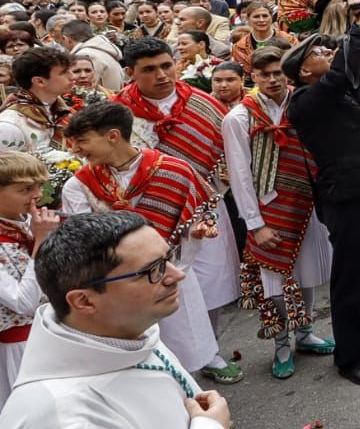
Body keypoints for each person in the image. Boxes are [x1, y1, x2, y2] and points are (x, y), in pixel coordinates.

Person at [0, 211, 232, 429]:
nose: (177, 275)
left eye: (168, 257)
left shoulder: (128, 333)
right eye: (153, 269)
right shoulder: (57, 414)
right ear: (84, 301)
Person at [58, 103, 228, 377]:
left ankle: (196, 382)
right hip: (118, 282)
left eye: (82, 141)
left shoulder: (175, 170)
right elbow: (82, 237)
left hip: (173, 268)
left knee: (184, 336)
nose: (76, 150)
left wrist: (185, 250)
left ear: (113, 136)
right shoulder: (78, 184)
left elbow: (195, 220)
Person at [283, 0, 360, 386]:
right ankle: (349, 358)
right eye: (318, 53)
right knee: (351, 276)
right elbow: (343, 69)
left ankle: (359, 340)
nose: (326, 53)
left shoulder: (338, 87)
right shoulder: (305, 100)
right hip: (346, 196)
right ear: (303, 72)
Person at [112, 38, 240, 383]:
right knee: (159, 288)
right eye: (149, 69)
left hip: (204, 206)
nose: (162, 75)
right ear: (130, 73)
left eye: (166, 65)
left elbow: (228, 153)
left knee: (211, 282)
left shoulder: (203, 104)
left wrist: (217, 188)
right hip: (147, 216)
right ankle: (164, 358)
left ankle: (209, 351)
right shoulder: (118, 112)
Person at [221, 46, 334, 380]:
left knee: (308, 273)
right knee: (274, 280)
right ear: (252, 77)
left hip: (308, 202)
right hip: (269, 209)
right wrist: (255, 225)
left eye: (278, 73)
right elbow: (239, 175)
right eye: (264, 74)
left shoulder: (303, 103)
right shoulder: (239, 118)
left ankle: (305, 334)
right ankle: (281, 344)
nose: (272, 79)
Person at [0, 152, 57, 408]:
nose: (36, 194)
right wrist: (42, 242)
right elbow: (23, 303)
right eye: (25, 189)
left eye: (38, 187)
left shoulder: (23, 223)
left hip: (45, 334)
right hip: (17, 346)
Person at [0, 47, 77, 165]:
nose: (73, 77)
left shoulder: (63, 111)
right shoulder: (9, 125)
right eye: (63, 72)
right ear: (39, 81)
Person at [62, 20, 123, 92]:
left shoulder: (85, 54)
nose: (83, 75)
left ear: (66, 39)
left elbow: (88, 91)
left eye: (87, 70)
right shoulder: (101, 49)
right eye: (77, 71)